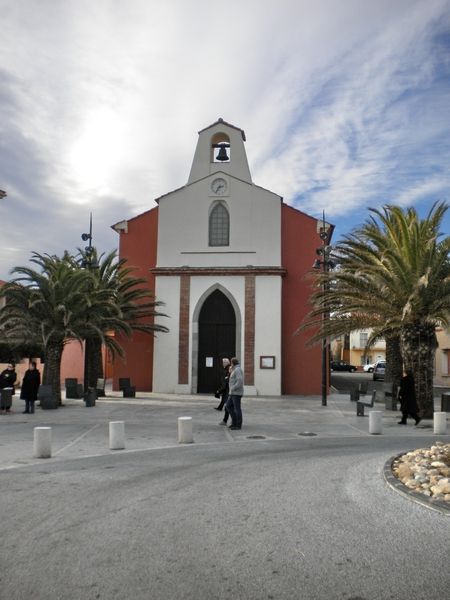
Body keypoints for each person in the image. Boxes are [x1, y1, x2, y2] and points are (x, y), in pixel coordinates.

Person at [227, 357, 244, 430]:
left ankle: (238, 425)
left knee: (237, 409)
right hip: (232, 393)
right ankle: (234, 422)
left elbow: (240, 381)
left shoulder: (238, 370)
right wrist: (230, 371)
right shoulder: (234, 370)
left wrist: (233, 388)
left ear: (233, 363)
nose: (230, 364)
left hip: (236, 393)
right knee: (228, 406)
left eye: (231, 363)